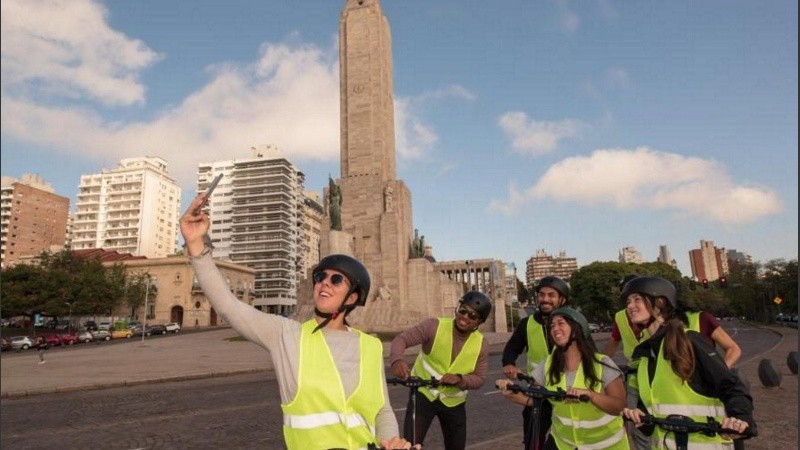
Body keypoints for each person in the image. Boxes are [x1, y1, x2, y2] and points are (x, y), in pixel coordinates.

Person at [180, 194, 415, 450]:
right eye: (321, 277)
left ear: (353, 297)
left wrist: (391, 441)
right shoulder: (286, 335)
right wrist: (196, 246)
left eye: (336, 280)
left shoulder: (371, 346)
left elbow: (382, 409)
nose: (324, 282)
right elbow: (229, 306)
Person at [619, 276, 756, 449]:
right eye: (628, 302)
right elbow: (654, 410)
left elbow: (731, 385)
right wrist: (642, 418)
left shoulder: (688, 340)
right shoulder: (645, 354)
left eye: (637, 299)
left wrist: (740, 419)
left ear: (660, 303)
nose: (630, 306)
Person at [497, 307, 629, 449]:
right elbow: (534, 400)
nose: (555, 329)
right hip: (563, 443)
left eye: (561, 323)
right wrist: (511, 393)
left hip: (604, 444)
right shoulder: (547, 364)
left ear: (577, 329)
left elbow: (619, 406)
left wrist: (591, 395)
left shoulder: (602, 363)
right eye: (552, 326)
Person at [389, 291, 491, 450]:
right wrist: (397, 360)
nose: (465, 316)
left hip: (454, 403)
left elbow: (480, 378)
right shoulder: (433, 326)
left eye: (472, 315)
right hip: (423, 395)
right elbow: (401, 339)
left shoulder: (481, 345)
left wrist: (460, 379)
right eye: (463, 310)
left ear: (479, 322)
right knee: (410, 445)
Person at [501, 276, 570, 449]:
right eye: (541, 294)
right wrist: (509, 363)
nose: (545, 299)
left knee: (570, 439)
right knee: (533, 440)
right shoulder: (527, 324)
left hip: (568, 391)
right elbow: (511, 348)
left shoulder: (572, 322)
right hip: (538, 392)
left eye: (551, 295)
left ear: (562, 299)